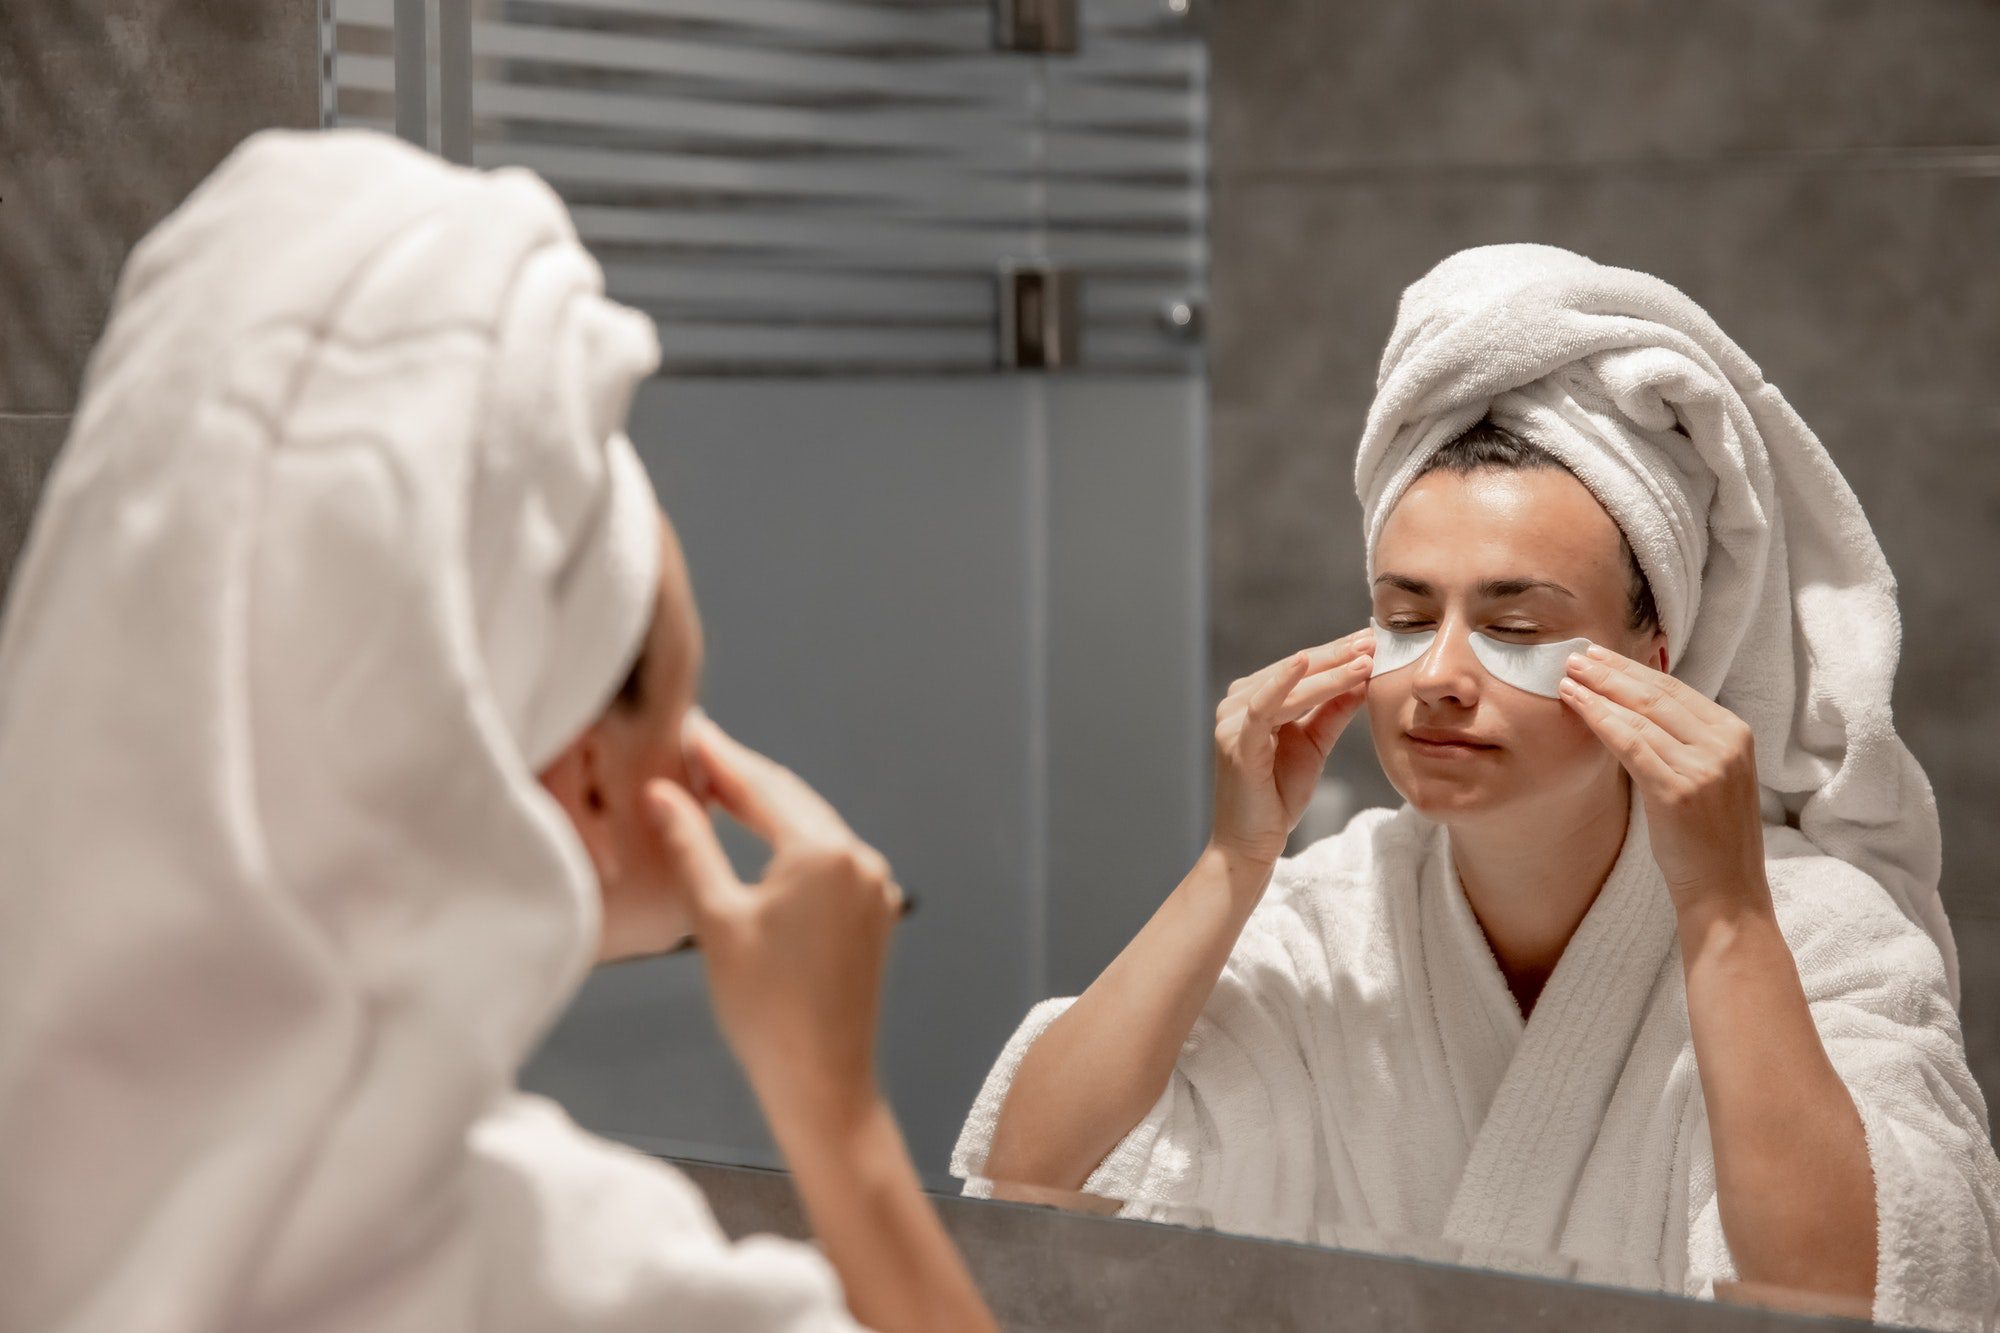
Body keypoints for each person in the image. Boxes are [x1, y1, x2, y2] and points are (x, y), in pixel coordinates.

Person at [0, 129, 994, 1333]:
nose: (700, 749)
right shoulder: (557, 1279)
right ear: (579, 780)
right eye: (676, 695)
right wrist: (838, 1117)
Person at [953, 243, 2000, 1329]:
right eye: (1405, 617)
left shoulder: (1820, 933)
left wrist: (1725, 916)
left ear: (1653, 660)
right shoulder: (1330, 917)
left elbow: (1855, 1296)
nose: (1441, 675)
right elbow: (1026, 1199)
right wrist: (1230, 866)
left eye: (1512, 626)